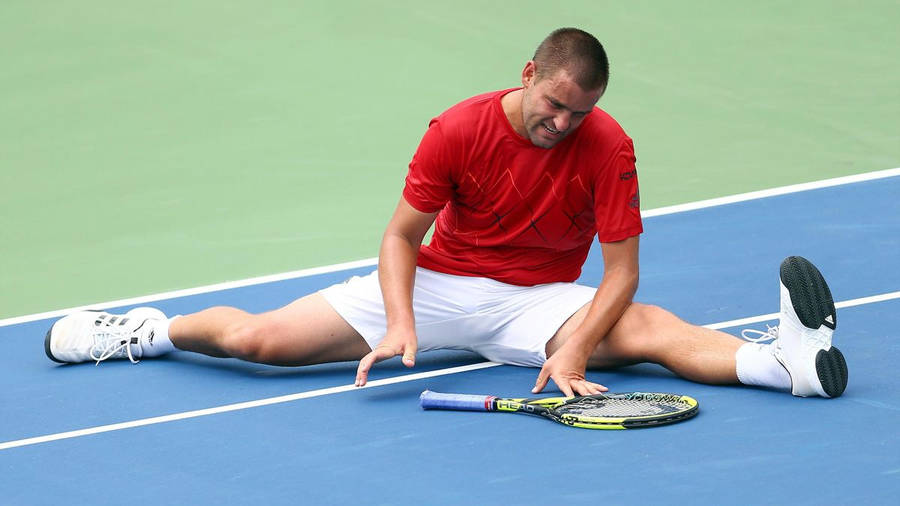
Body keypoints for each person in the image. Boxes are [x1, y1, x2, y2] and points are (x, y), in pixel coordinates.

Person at [44, 28, 848, 398]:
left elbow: (624, 274)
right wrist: (401, 322)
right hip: (435, 284)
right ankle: (144, 331)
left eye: (580, 113)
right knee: (257, 340)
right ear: (529, 72)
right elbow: (400, 236)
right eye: (554, 105)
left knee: (649, 331)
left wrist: (572, 356)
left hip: (537, 303)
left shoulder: (609, 146)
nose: (562, 125)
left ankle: (785, 365)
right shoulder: (459, 129)